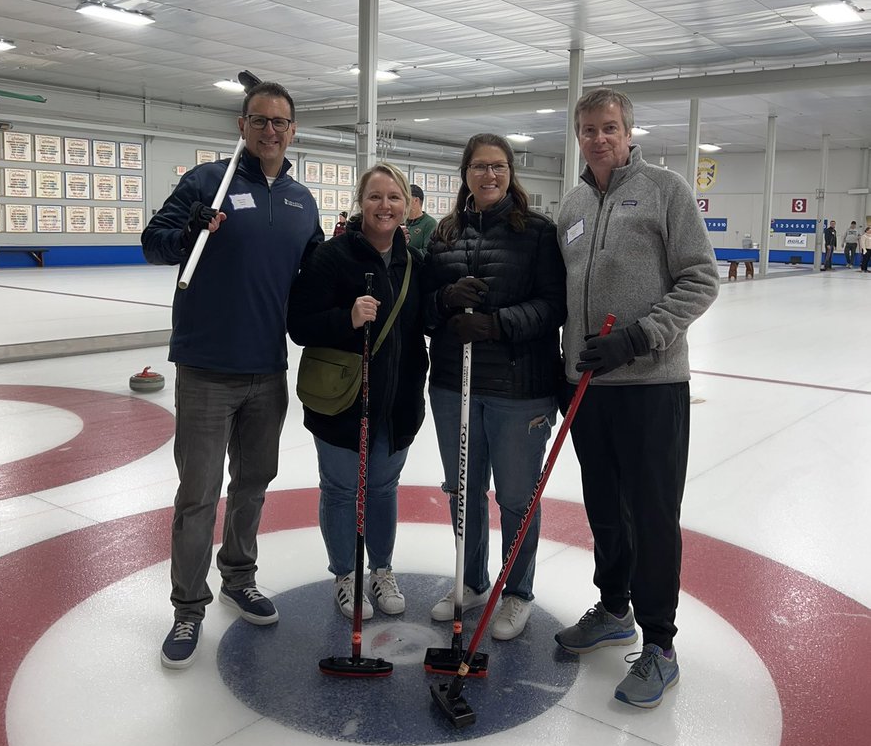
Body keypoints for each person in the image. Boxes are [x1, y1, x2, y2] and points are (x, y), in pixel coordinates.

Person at [142, 80, 323, 669]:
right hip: (205, 369)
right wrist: (189, 228)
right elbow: (154, 243)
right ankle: (187, 608)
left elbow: (315, 275)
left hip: (266, 370)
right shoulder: (206, 183)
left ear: (293, 131)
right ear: (243, 125)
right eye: (260, 120)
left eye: (281, 122)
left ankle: (238, 576)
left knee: (252, 483)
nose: (270, 130)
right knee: (197, 495)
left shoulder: (301, 201)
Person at [554, 88, 719, 708]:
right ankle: (614, 608)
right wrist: (563, 365)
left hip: (651, 386)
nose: (599, 138)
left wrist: (640, 337)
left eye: (610, 128)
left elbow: (700, 277)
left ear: (628, 133)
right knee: (604, 508)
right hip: (589, 389)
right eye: (589, 129)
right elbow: (566, 290)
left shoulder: (663, 190)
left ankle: (659, 643)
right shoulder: (572, 203)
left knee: (651, 516)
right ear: (578, 137)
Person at [424, 134, 566, 640]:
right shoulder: (443, 234)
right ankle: (470, 580)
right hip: (451, 385)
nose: (489, 176)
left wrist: (496, 323)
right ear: (465, 172)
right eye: (480, 167)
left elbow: (555, 306)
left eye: (499, 167)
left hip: (517, 387)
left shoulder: (537, 233)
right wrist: (444, 298)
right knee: (463, 493)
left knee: (514, 497)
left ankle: (517, 591)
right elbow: (421, 309)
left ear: (510, 173)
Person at [287, 163, 428, 619]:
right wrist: (344, 318)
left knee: (384, 488)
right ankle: (346, 575)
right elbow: (299, 324)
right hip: (342, 400)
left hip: (396, 403)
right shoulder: (331, 257)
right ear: (360, 203)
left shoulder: (413, 262)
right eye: (374, 196)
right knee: (342, 488)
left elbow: (425, 323)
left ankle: (381, 570)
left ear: (406, 206)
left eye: (393, 197)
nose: (384, 206)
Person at [406, 184, 437, 253]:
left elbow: (427, 253)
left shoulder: (430, 223)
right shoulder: (401, 222)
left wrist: (403, 254)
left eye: (406, 198)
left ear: (415, 200)